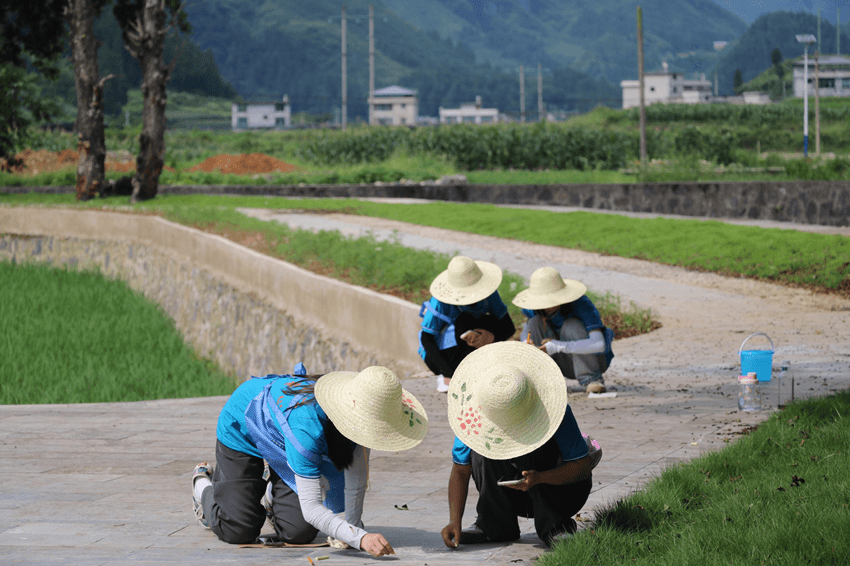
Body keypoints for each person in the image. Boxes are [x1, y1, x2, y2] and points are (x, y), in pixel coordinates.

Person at [191, 364, 428, 558]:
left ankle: (271, 489)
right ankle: (203, 485)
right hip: (241, 429)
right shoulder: (306, 427)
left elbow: (356, 480)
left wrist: (352, 532)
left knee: (298, 533)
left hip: (285, 442)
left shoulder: (360, 424)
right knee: (239, 530)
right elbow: (313, 510)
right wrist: (361, 538)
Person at [440, 341, 600, 549]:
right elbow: (460, 470)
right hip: (515, 495)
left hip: (561, 492)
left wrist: (541, 478)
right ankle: (495, 524)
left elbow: (582, 467)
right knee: (480, 453)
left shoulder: (555, 411)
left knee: (535, 449)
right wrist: (455, 521)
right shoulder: (473, 418)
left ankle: (555, 526)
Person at [418, 255, 516, 392]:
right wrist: (448, 374)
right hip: (442, 357)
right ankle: (464, 371)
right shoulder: (439, 302)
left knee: (489, 321)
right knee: (464, 320)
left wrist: (492, 337)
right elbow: (426, 339)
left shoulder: (489, 294)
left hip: (471, 346)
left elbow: (508, 326)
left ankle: (478, 368)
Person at [512, 267, 614, 394]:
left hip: (590, 361)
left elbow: (599, 344)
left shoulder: (581, 305)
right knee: (534, 322)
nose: (546, 305)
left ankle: (592, 380)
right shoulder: (533, 310)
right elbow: (526, 334)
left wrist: (558, 346)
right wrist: (526, 345)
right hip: (560, 362)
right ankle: (543, 381)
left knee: (571, 325)